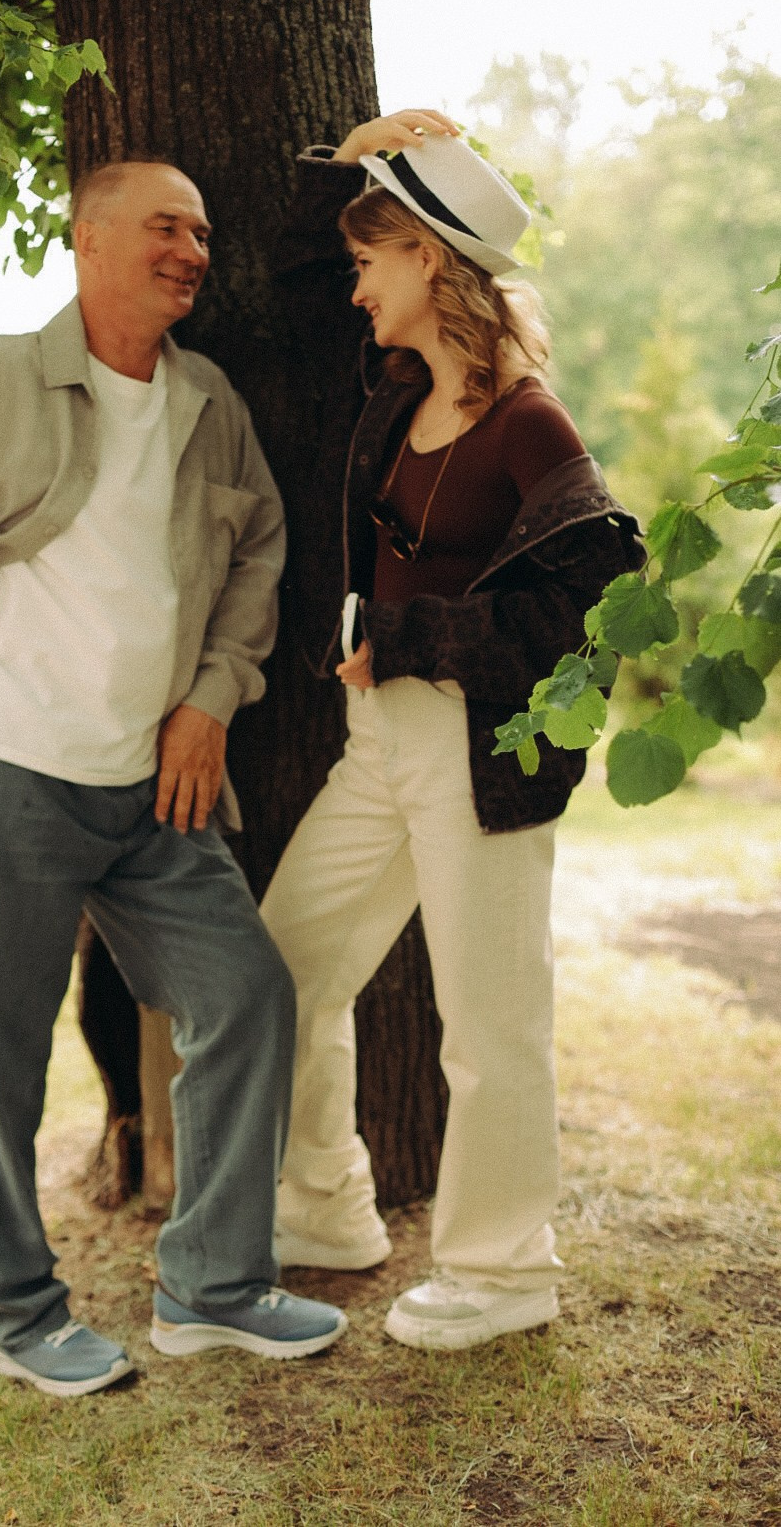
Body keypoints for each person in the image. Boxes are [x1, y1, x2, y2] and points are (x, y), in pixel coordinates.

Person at [0, 158, 347, 1397]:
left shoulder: (211, 401)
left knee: (247, 993)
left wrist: (214, 695)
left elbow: (261, 547)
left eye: (202, 232)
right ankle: (16, 1310)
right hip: (8, 771)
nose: (193, 250)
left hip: (155, 787)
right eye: (165, 227)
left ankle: (211, 1285)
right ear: (90, 240)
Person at [260, 110, 644, 1351]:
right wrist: (375, 146)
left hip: (484, 747)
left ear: (430, 260)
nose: (355, 285)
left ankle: (502, 1271)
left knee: (489, 1025)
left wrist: (416, 644)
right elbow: (303, 269)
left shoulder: (529, 421)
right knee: (285, 960)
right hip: (378, 741)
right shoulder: (396, 390)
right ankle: (324, 1209)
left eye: (374, 257)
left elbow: (586, 610)